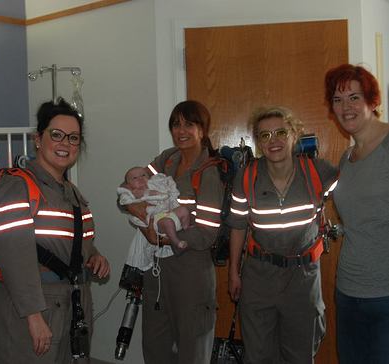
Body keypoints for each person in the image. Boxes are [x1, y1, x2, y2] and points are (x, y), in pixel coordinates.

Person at [0, 98, 110, 364]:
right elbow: (13, 256)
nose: (66, 144)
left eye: (73, 138)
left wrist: (93, 255)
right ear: (38, 139)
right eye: (57, 135)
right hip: (31, 306)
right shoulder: (16, 186)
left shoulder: (72, 193)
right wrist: (33, 315)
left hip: (70, 304)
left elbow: (68, 240)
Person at [227, 106, 338, 363]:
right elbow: (238, 226)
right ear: (258, 142)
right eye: (264, 135)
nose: (273, 140)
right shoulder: (246, 177)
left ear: (294, 134)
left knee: (299, 355)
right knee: (258, 355)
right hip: (258, 277)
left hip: (303, 279)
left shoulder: (318, 172)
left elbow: (356, 191)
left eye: (280, 132)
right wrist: (234, 271)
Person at [124, 100, 224, 364]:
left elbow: (207, 233)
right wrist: (144, 221)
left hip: (190, 272)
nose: (181, 130)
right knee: (155, 347)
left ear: (202, 130)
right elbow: (128, 189)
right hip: (156, 272)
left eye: (189, 124)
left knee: (192, 351)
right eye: (176, 124)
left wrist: (165, 237)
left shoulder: (209, 172)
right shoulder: (167, 159)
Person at [324, 64, 389, 364]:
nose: (345, 107)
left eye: (353, 97)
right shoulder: (346, 158)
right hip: (349, 290)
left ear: (372, 101)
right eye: (337, 100)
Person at [118, 166, 191, 250]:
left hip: (170, 213)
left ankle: (187, 229)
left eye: (143, 175)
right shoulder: (132, 193)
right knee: (168, 222)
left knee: (184, 210)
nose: (140, 179)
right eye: (135, 178)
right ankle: (177, 241)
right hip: (157, 219)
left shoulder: (157, 184)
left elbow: (168, 189)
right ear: (128, 185)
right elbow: (122, 200)